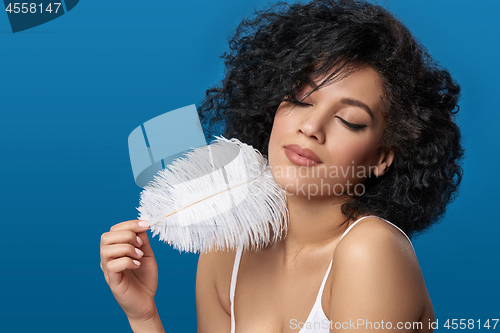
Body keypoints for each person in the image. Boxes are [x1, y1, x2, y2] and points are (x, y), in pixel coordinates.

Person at [99, 0, 463, 332]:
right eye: (301, 99)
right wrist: (143, 315)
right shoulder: (228, 247)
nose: (311, 127)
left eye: (349, 120)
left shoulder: (370, 251)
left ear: (383, 157)